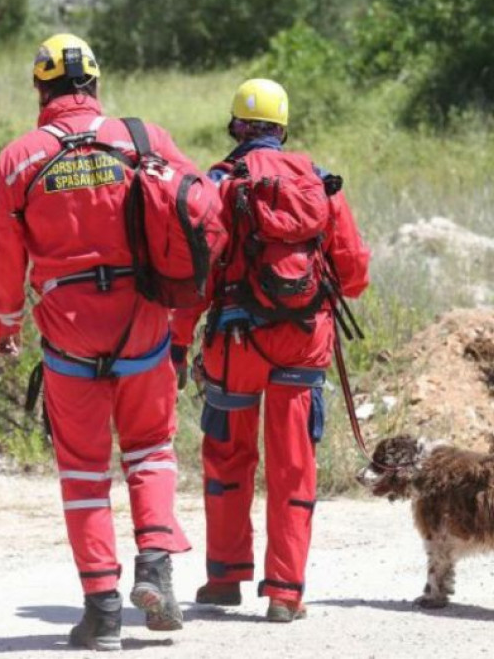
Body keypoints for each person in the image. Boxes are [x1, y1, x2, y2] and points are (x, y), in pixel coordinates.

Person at [0, 33, 210, 651]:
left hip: (69, 336)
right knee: (151, 453)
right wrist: (185, 316)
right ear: (96, 86)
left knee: (83, 475)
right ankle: (156, 570)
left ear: (40, 89)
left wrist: (3, 325)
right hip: (143, 325)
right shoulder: (145, 141)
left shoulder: (19, 159)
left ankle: (103, 614)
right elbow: (202, 212)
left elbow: (2, 257)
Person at [171, 78, 370, 622]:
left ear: (236, 126)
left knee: (227, 458)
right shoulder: (319, 182)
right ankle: (285, 592)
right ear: (283, 128)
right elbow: (353, 276)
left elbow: (196, 276)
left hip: (236, 345)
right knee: (293, 466)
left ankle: (224, 578)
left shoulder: (219, 183)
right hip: (303, 343)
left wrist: (179, 340)